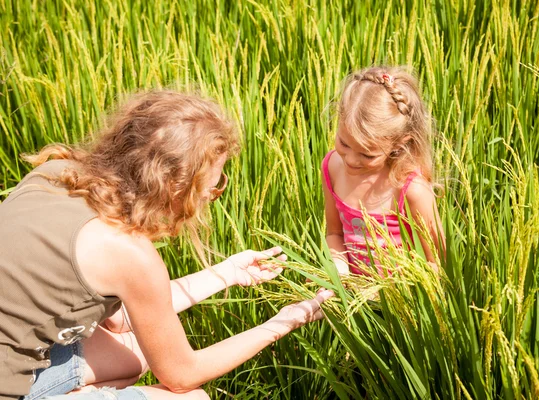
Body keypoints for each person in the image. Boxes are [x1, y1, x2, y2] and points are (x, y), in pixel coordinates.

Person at [0, 90, 333, 400]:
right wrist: (286, 321)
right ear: (175, 185)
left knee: (131, 357)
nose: (212, 194)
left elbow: (120, 320)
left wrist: (229, 271)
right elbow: (182, 375)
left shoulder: (57, 172)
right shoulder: (127, 251)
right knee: (193, 398)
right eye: (211, 186)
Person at [322, 66, 445, 276]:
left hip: (401, 298)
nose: (350, 160)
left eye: (367, 155)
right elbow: (334, 232)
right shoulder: (333, 166)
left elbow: (438, 262)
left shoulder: (410, 190)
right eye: (343, 143)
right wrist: (339, 272)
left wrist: (390, 292)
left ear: (398, 144)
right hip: (351, 295)